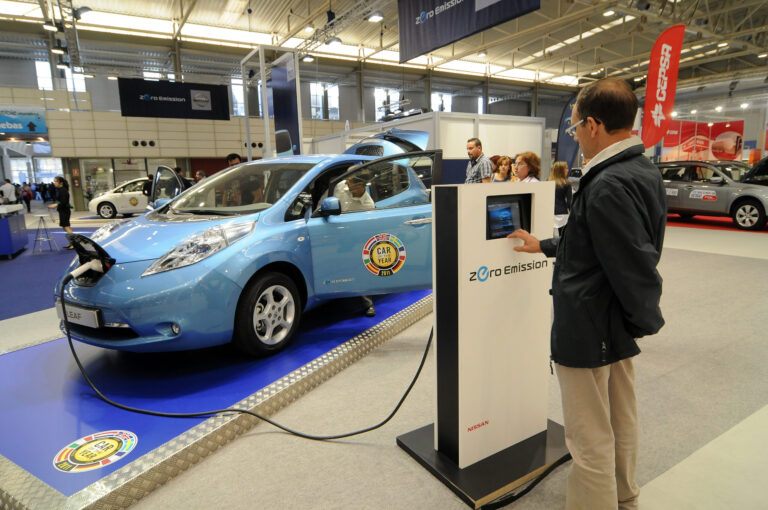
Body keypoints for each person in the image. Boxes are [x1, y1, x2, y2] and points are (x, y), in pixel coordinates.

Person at [508, 78, 666, 510]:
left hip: (590, 327)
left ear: (594, 124)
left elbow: (634, 267)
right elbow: (600, 245)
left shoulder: (608, 183)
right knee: (620, 420)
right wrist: (543, 245)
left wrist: (640, 320)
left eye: (576, 127)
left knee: (587, 434)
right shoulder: (639, 170)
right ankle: (624, 497)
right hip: (611, 325)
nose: (575, 135)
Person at [48, 176, 75, 249]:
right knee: (65, 227)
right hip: (62, 210)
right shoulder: (60, 190)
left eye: (56, 181)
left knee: (66, 227)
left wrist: (55, 205)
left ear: (61, 183)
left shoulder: (63, 190)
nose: (54, 183)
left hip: (65, 211)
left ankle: (74, 243)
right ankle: (71, 242)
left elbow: (63, 202)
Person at [549, 161, 572, 233]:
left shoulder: (548, 181)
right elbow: (569, 201)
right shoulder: (567, 183)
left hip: (549, 212)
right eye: (566, 168)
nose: (568, 170)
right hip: (562, 213)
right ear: (561, 170)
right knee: (562, 236)